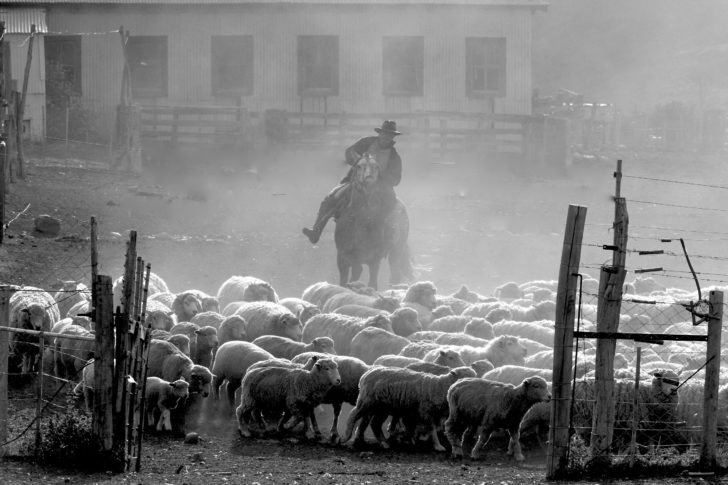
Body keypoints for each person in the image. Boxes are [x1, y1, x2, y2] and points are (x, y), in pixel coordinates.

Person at [302, 120, 402, 245]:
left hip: (380, 186)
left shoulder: (394, 156)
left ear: (393, 137)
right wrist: (359, 161)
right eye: (385, 133)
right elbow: (349, 152)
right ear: (380, 133)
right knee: (331, 198)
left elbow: (396, 179)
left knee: (391, 205)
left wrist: (379, 173)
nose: (387, 137)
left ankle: (389, 237)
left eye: (390, 135)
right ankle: (316, 231)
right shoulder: (366, 142)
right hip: (354, 179)